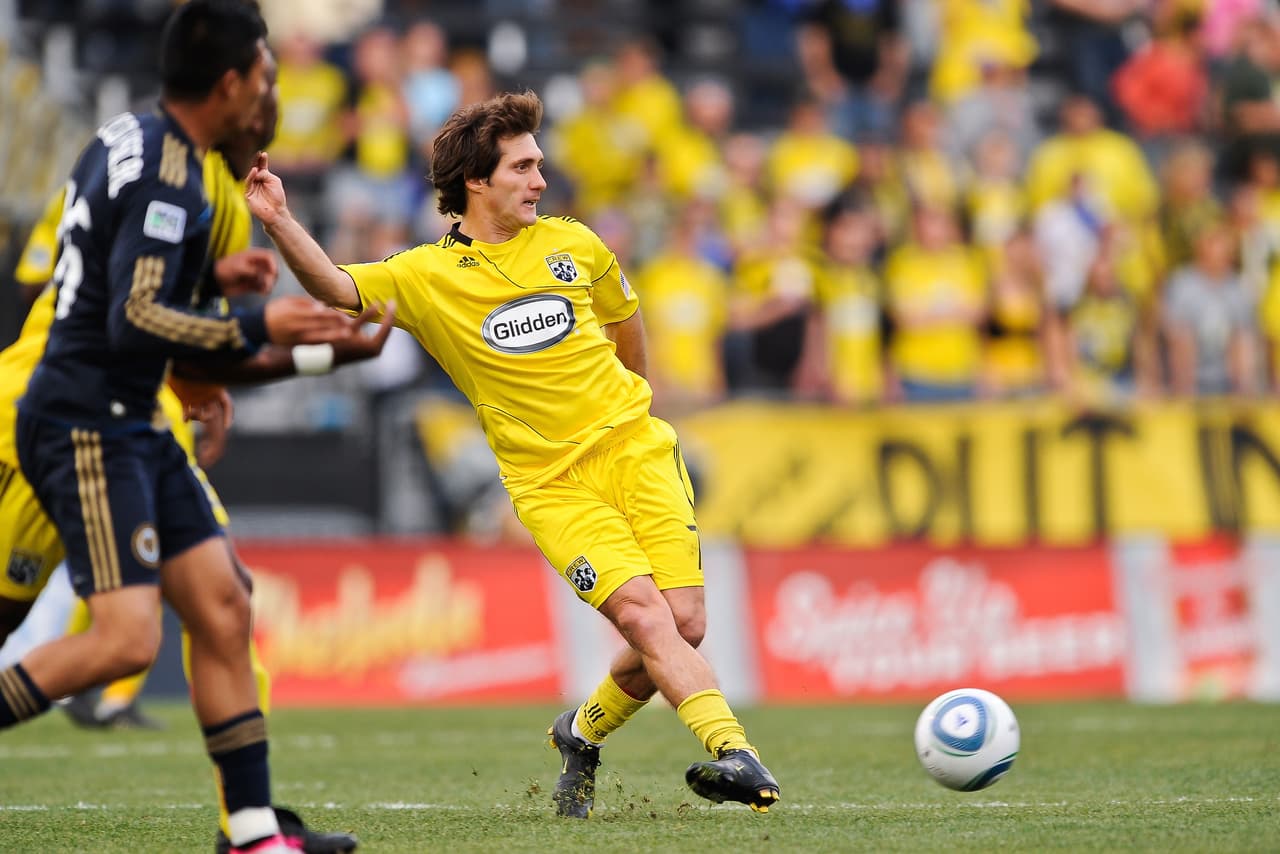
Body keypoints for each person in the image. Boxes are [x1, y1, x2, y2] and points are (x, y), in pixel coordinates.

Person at [245, 89, 781, 817]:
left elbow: (626, 322)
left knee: (685, 623)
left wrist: (633, 408)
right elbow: (337, 287)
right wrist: (279, 220)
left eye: (539, 164)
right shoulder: (426, 276)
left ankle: (579, 733)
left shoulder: (575, 244)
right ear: (477, 180)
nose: (540, 180)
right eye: (523, 167)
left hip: (638, 451)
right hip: (550, 485)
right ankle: (733, 750)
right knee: (642, 615)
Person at [1, 4, 370, 852]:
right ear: (231, 83)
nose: (272, 92)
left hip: (131, 415)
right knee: (125, 640)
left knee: (224, 606)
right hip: (87, 418)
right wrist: (261, 324)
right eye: (266, 75)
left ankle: (252, 834)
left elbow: (129, 287)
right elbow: (134, 318)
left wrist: (282, 332)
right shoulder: (171, 176)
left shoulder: (132, 137)